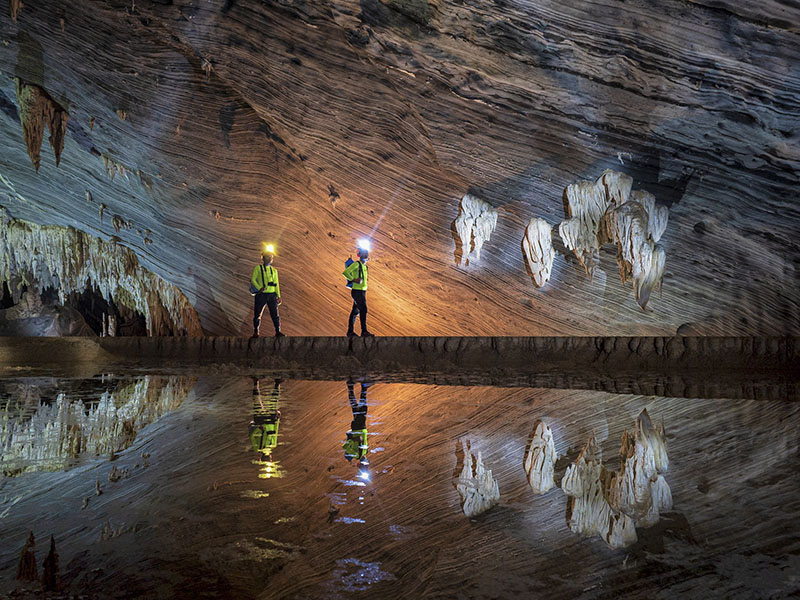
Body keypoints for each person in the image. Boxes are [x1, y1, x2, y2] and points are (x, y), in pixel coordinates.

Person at [249, 377, 283, 479]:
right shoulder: (273, 445)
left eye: (266, 459)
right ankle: (277, 383)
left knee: (257, 401)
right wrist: (277, 419)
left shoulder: (258, 448)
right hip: (269, 420)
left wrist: (259, 428)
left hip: (261, 421)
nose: (268, 458)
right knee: (273, 401)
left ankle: (256, 382)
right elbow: (275, 431)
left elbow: (252, 434)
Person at [343, 241, 374, 337]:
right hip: (357, 292)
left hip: (362, 292)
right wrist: (354, 280)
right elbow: (346, 273)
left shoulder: (365, 267)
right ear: (360, 255)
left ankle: (350, 332)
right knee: (363, 310)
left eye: (367, 254)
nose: (366, 255)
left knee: (355, 311)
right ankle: (364, 332)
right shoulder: (357, 264)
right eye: (365, 254)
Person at [252, 247, 284, 338]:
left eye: (271, 257)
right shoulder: (258, 268)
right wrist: (259, 288)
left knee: (275, 314)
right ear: (263, 257)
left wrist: (278, 296)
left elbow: (276, 284)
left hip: (272, 294)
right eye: (268, 256)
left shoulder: (274, 271)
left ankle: (278, 331)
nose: (270, 258)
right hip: (262, 294)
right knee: (257, 314)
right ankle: (256, 332)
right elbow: (253, 280)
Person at [343, 379, 371, 480]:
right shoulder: (364, 453)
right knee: (355, 407)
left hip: (359, 427)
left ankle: (363, 387)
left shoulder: (357, 454)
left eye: (365, 464)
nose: (367, 463)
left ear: (360, 464)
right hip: (360, 427)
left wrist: (354, 439)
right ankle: (351, 387)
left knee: (362, 408)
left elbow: (345, 446)